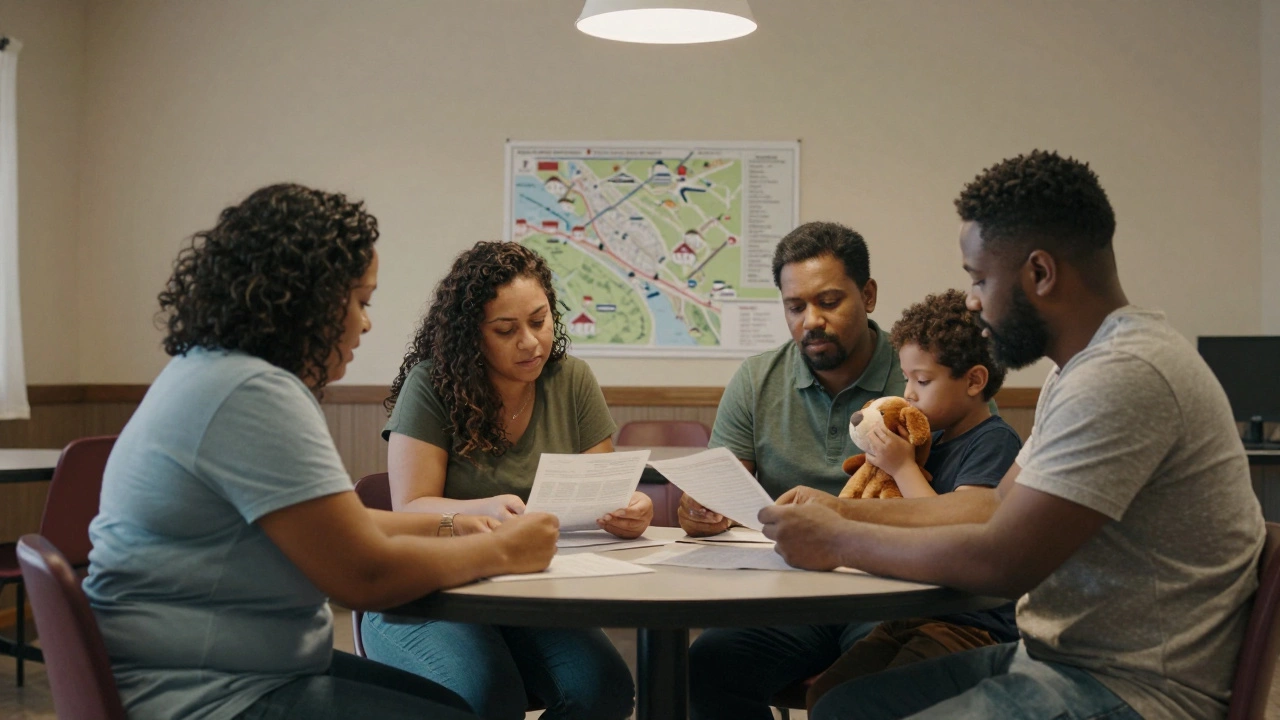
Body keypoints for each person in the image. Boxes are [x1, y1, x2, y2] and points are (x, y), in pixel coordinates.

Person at [762, 150, 1266, 720]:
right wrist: (841, 511)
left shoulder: (1124, 376)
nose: (973, 300)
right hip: (1054, 661)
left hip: (1134, 690)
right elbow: (990, 509)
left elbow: (1004, 563)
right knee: (842, 706)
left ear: (1041, 274)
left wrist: (837, 541)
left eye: (979, 279)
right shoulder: (1078, 370)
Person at [83, 184, 560, 720]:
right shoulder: (249, 393)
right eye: (360, 300)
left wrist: (449, 526)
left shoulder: (214, 371)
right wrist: (506, 552)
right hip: (205, 695)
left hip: (215, 672)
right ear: (304, 301)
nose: (366, 321)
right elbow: (363, 575)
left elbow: (337, 523)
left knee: (460, 706)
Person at [360, 241, 644, 720]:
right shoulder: (432, 385)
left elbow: (602, 488)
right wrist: (484, 508)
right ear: (472, 336)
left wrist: (629, 510)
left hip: (529, 592)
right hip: (430, 591)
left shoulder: (571, 379)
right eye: (506, 330)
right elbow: (408, 507)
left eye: (539, 320)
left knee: (605, 692)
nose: (531, 342)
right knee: (489, 697)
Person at [687, 221, 904, 720]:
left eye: (829, 302)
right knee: (706, 667)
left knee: (876, 677)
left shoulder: (920, 372)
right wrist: (700, 509)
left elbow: (976, 496)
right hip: (787, 589)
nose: (811, 320)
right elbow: (721, 488)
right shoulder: (757, 378)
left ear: (868, 295)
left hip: (887, 587)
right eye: (795, 306)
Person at [803, 288, 1021, 708]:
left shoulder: (994, 441)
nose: (909, 393)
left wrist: (903, 467)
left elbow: (955, 521)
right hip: (909, 616)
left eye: (922, 380)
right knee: (824, 695)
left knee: (855, 707)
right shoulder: (929, 438)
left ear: (975, 381)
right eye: (906, 378)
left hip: (967, 625)